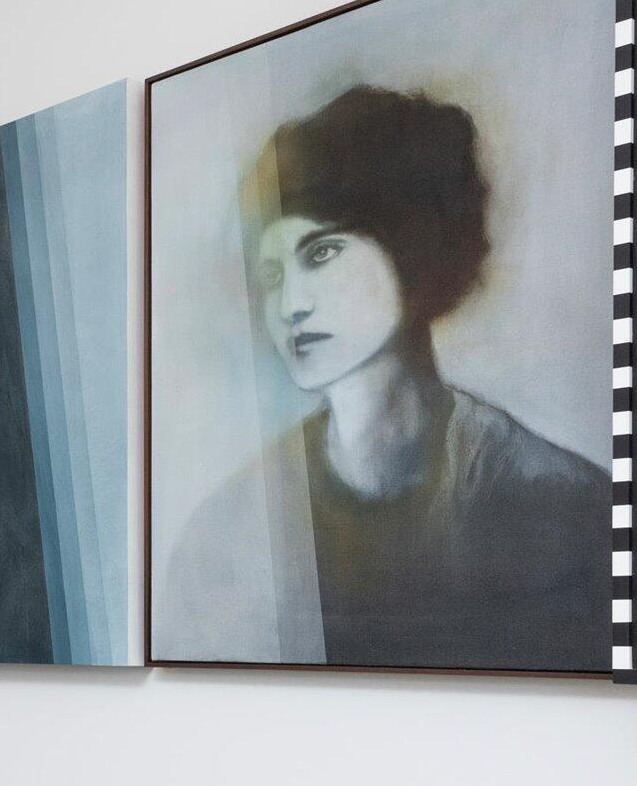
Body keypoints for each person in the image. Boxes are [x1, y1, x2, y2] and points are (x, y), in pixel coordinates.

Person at [164, 84, 607, 670]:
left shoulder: (559, 506)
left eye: (321, 254)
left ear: (412, 246)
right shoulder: (229, 536)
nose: (290, 304)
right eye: (271, 274)